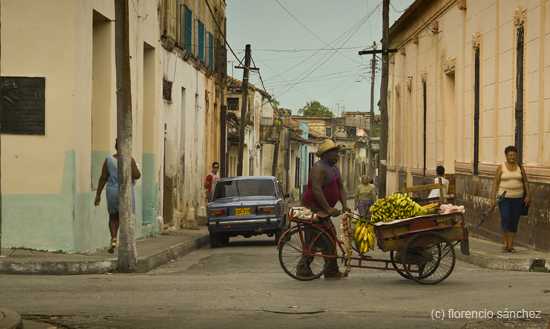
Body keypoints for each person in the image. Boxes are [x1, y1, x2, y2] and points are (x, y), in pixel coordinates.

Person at [300, 139, 352, 279]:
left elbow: (340, 187)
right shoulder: (319, 167)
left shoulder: (334, 168)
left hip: (323, 209)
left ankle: (331, 270)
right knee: (316, 240)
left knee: (329, 238)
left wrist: (344, 204)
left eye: (337, 152)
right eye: (333, 153)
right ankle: (303, 269)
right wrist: (329, 208)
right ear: (324, 155)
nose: (336, 155)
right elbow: (317, 189)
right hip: (314, 208)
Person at [94, 140, 141, 254]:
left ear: (115, 147)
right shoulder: (130, 159)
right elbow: (136, 175)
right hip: (126, 191)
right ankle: (126, 242)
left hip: (112, 191)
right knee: (125, 217)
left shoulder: (108, 160)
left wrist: (98, 194)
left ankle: (114, 237)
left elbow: (103, 178)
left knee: (113, 217)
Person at [490, 145, 530, 253]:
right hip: (504, 199)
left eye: (514, 155)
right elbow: (496, 183)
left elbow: (525, 181)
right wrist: (493, 199)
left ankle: (510, 245)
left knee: (514, 221)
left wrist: (528, 195)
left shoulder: (520, 167)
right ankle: (505, 243)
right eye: (510, 155)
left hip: (518, 198)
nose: (512, 157)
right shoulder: (501, 167)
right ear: (506, 156)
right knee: (506, 218)